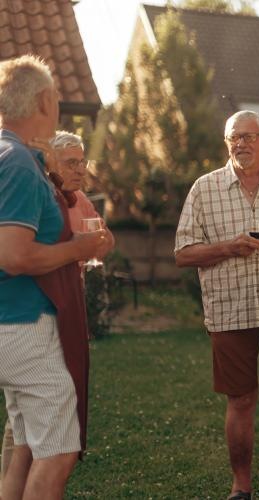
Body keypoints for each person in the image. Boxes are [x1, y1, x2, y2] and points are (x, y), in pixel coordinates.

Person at [175, 110, 259, 500]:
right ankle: (242, 487)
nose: (243, 143)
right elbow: (183, 254)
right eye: (236, 137)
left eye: (251, 136)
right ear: (226, 143)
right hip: (230, 311)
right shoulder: (205, 189)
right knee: (240, 400)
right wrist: (227, 248)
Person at [0, 55, 111, 500]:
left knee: (26, 445)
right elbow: (13, 255)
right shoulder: (18, 163)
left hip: (11, 325)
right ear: (45, 99)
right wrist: (79, 249)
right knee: (61, 451)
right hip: (26, 324)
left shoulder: (11, 155)